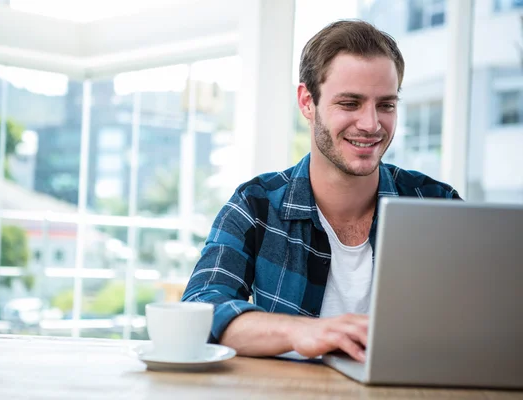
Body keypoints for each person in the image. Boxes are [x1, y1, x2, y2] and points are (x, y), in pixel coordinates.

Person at [181, 20, 461, 363]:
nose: (371, 124)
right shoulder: (255, 205)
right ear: (307, 102)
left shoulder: (437, 204)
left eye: (386, 105)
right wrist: (300, 331)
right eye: (350, 103)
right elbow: (199, 310)